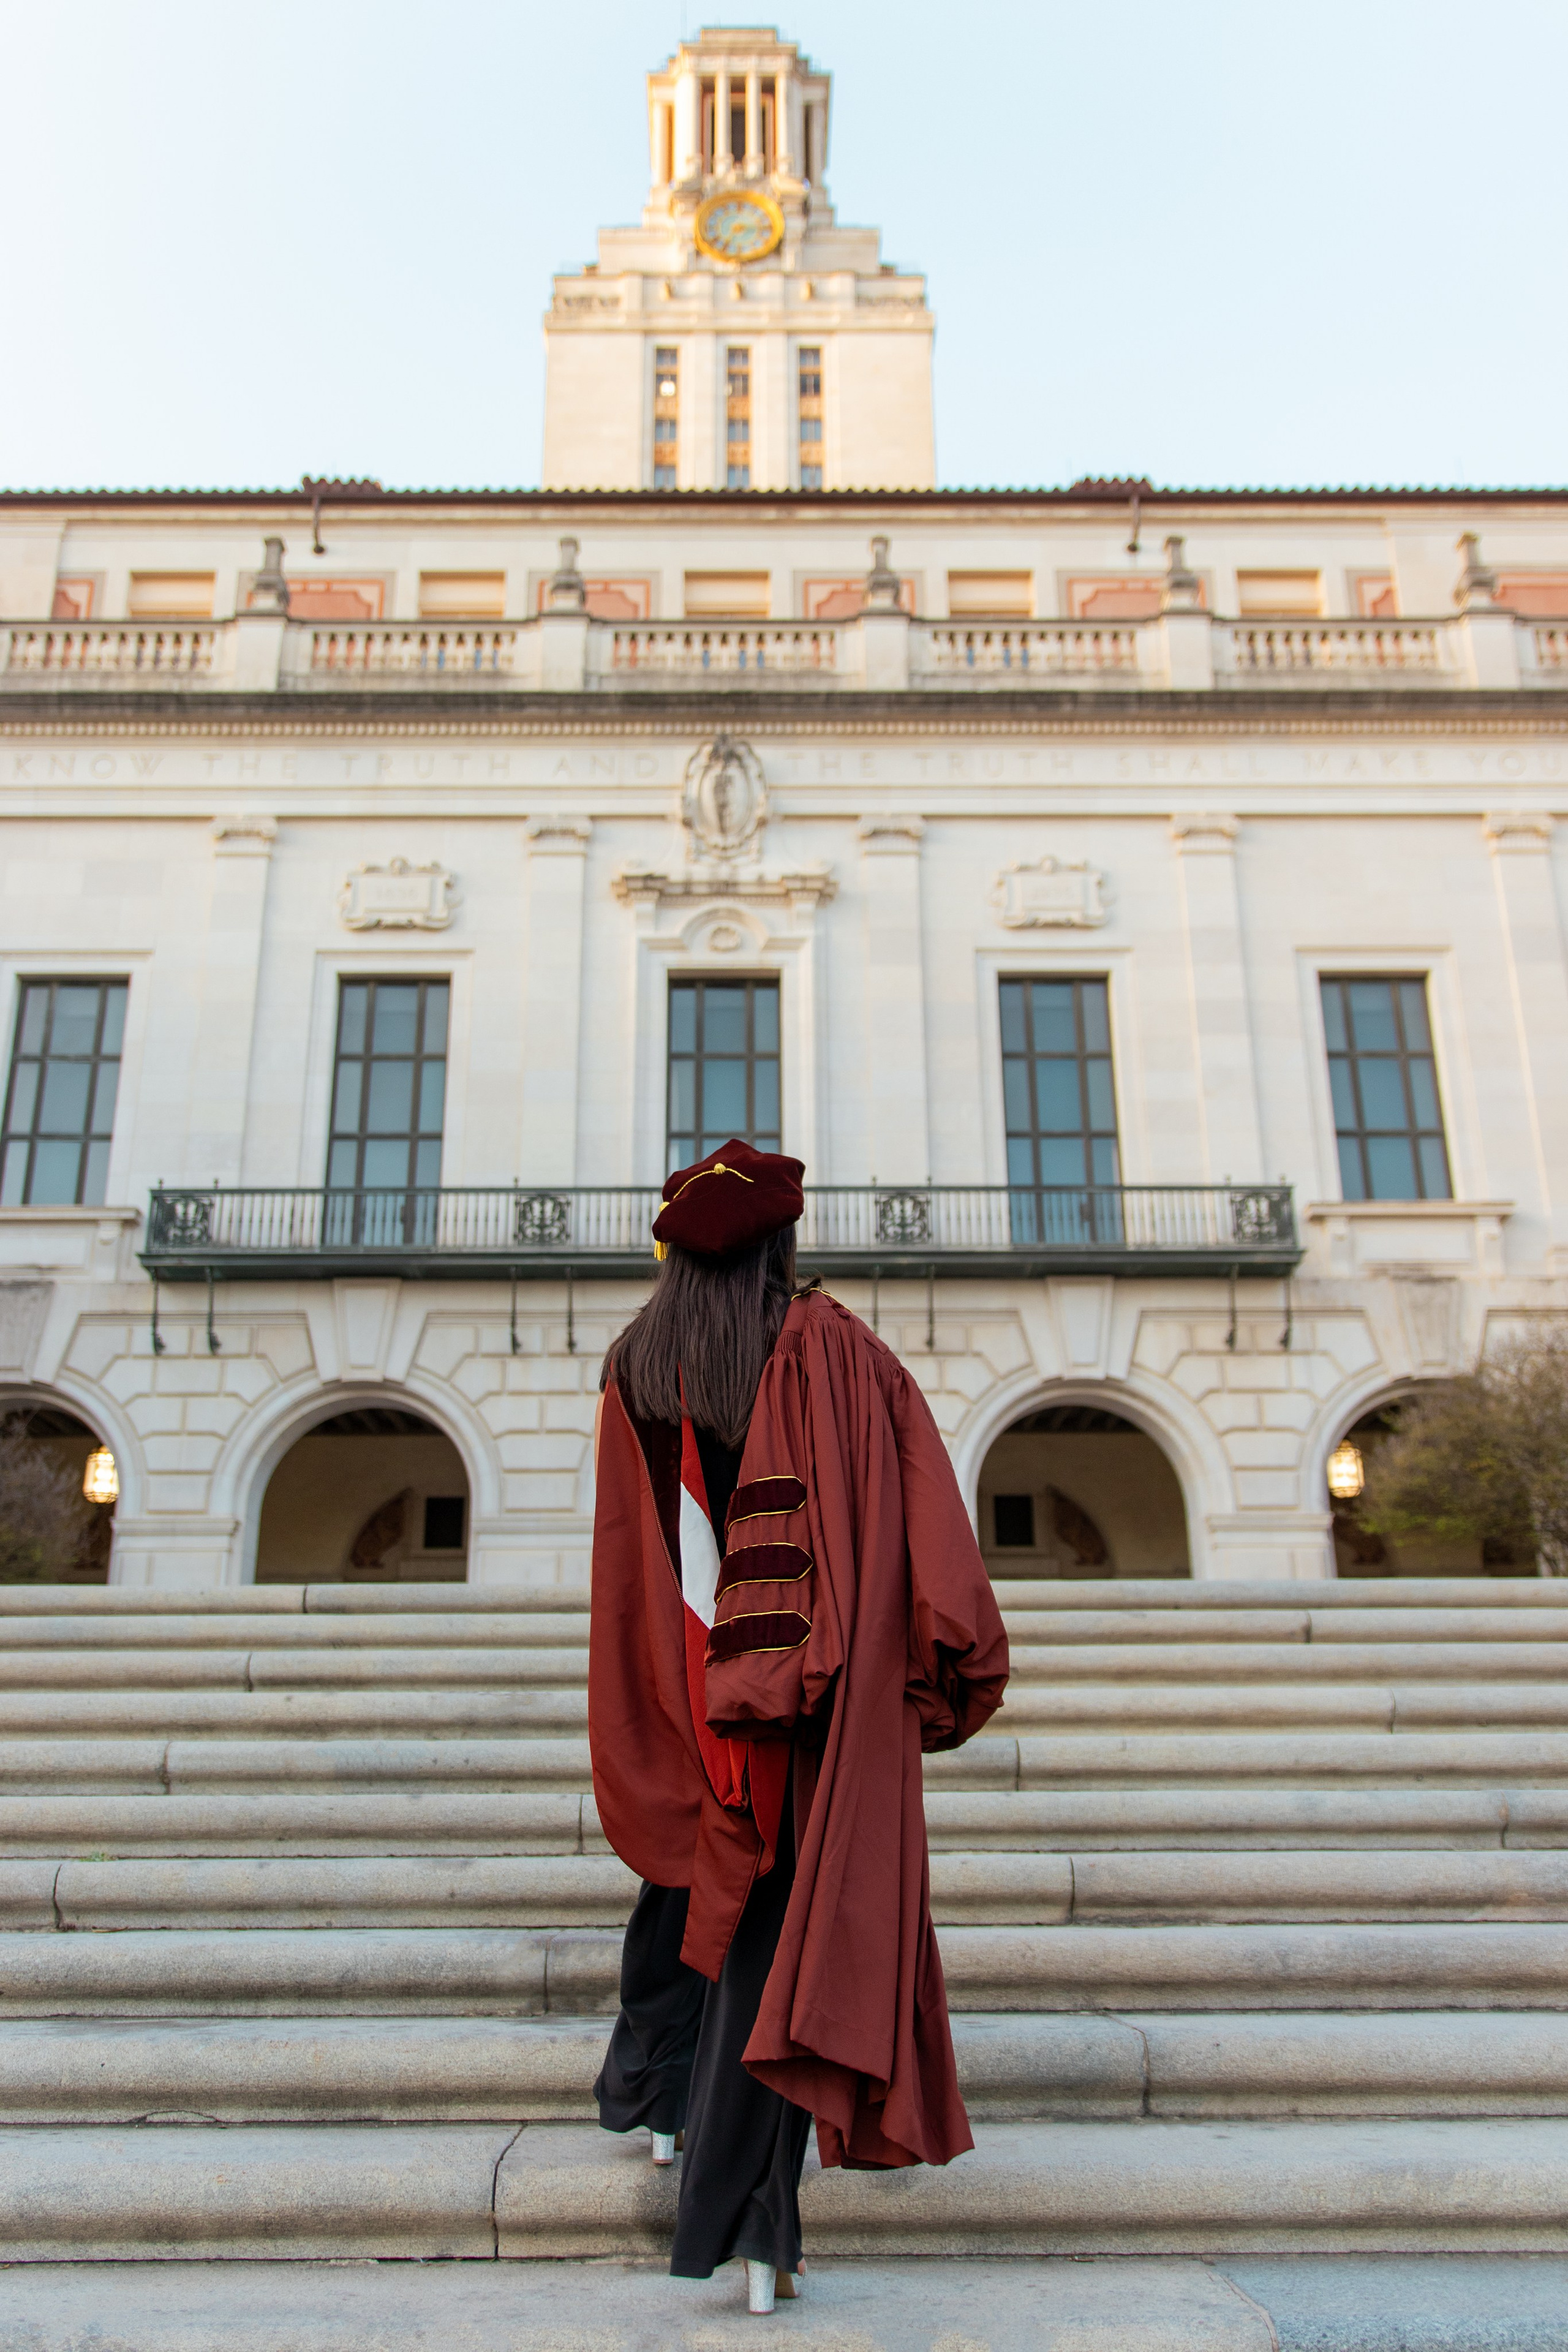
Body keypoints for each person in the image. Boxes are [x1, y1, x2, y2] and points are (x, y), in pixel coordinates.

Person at [589, 1139, 1009, 2315]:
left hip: (687, 1679)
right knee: (773, 1933)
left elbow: (636, 1556)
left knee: (696, 1865)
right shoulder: (829, 1347)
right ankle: (748, 2218)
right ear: (784, 1239)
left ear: (673, 1250)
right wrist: (943, 1661)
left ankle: (649, 2094)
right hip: (805, 1694)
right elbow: (921, 1515)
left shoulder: (635, 1361)